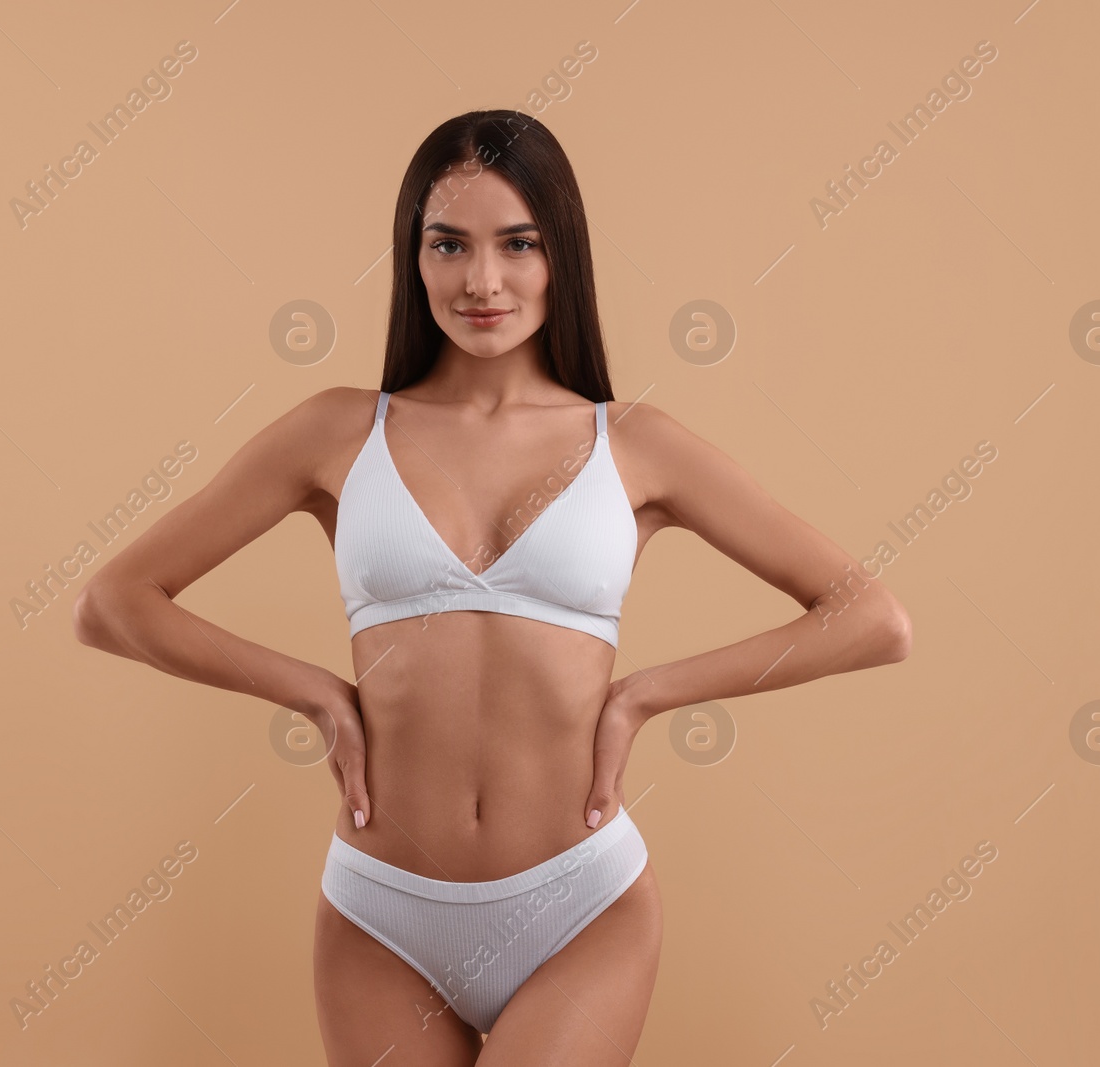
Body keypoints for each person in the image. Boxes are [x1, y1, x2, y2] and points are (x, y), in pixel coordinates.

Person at [72, 109, 912, 1065]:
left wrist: (644, 694)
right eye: (449, 245)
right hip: (382, 913)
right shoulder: (338, 432)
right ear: (413, 257)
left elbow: (871, 620)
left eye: (519, 244)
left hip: (579, 905)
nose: (482, 281)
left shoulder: (632, 444)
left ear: (562, 255)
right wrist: (312, 693)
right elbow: (113, 602)